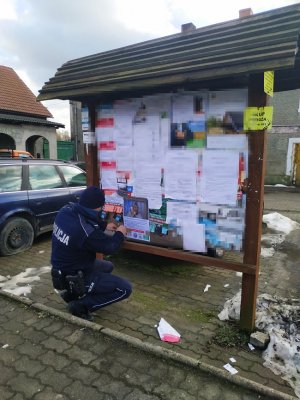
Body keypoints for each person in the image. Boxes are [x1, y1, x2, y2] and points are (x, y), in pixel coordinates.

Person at [51, 186, 132, 320]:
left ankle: (72, 294)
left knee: (107, 266)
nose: (101, 209)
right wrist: (120, 233)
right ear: (98, 207)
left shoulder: (66, 210)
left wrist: (103, 225)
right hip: (73, 274)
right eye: (101, 207)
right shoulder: (84, 232)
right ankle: (80, 305)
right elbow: (111, 246)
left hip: (62, 268)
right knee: (124, 289)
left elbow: (86, 217)